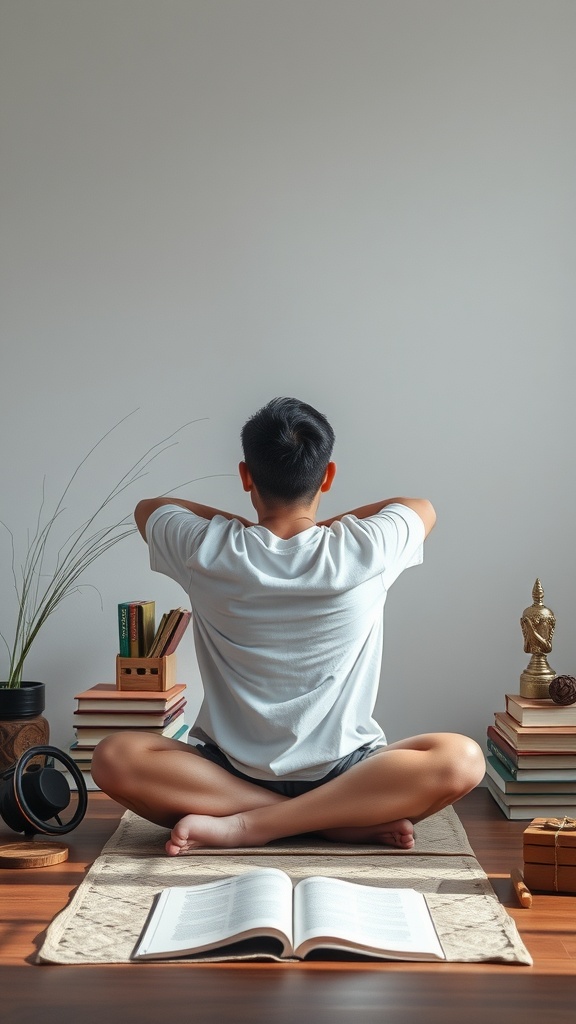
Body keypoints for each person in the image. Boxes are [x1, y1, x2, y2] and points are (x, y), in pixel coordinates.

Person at [92, 397, 484, 855]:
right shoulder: (369, 547)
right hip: (348, 779)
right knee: (463, 760)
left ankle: (248, 825)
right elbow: (419, 506)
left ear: (245, 476)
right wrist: (314, 531)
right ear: (328, 476)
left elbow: (150, 507)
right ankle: (332, 819)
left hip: (223, 781)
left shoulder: (206, 548)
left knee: (112, 758)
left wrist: (249, 532)